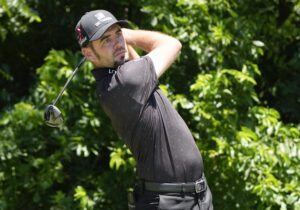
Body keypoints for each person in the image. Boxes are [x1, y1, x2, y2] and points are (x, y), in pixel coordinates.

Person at [75, 9, 213, 210]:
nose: (117, 42)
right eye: (106, 39)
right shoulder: (127, 81)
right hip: (169, 202)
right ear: (88, 53)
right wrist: (128, 34)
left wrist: (120, 42)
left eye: (118, 34)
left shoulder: (119, 80)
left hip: (193, 198)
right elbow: (172, 44)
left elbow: (135, 62)